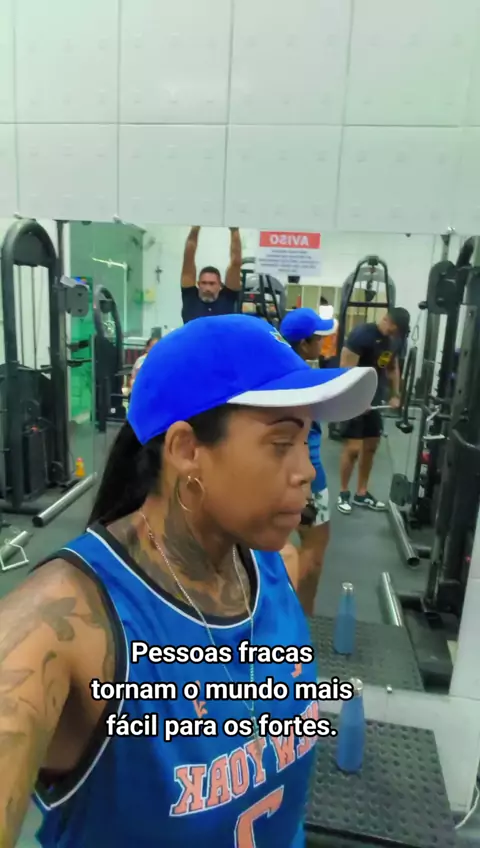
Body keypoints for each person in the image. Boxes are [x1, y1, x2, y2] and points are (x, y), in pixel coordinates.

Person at [0, 314, 376, 848]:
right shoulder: (59, 629)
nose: (308, 470)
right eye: (280, 442)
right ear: (185, 450)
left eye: (307, 439)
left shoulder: (274, 569)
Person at [280, 308, 338, 617]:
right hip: (309, 475)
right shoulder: (307, 379)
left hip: (278, 472)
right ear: (304, 344)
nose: (322, 344)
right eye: (318, 339)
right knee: (313, 552)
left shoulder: (276, 373)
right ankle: (302, 622)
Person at [337, 307, 410, 515]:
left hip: (375, 398)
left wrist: (396, 394)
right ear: (385, 319)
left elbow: (392, 367)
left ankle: (361, 493)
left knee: (370, 447)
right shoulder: (362, 335)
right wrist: (357, 399)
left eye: (396, 331)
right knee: (353, 449)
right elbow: (345, 369)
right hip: (353, 399)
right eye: (391, 328)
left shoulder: (395, 340)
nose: (392, 333)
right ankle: (343, 493)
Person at [181, 226, 242, 323]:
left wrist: (234, 230)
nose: (207, 288)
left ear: (220, 285)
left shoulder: (227, 298)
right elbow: (188, 257)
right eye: (204, 283)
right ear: (198, 284)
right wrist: (195, 228)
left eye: (212, 283)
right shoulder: (190, 297)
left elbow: (236, 262)